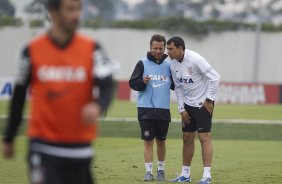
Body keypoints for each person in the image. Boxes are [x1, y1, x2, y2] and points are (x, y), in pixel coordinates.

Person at [1, 0, 114, 184]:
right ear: (53, 12)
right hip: (43, 146)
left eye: (78, 9)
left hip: (81, 148)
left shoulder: (94, 49)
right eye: (70, 9)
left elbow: (107, 84)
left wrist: (98, 105)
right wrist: (9, 137)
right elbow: (19, 95)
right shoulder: (30, 51)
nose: (76, 14)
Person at [167, 36, 220, 184]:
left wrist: (209, 100)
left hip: (204, 104)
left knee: (204, 137)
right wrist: (181, 108)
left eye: (170, 49)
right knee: (187, 138)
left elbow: (215, 77)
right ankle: (185, 175)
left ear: (180, 48)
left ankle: (207, 176)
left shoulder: (196, 59)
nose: (168, 52)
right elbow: (178, 87)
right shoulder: (172, 64)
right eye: (167, 49)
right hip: (188, 105)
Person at [129, 34, 174, 182]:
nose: (159, 51)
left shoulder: (170, 65)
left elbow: (176, 85)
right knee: (148, 142)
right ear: (150, 47)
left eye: (161, 48)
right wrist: (142, 82)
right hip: (145, 109)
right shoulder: (141, 63)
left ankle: (161, 170)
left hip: (163, 109)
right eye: (155, 48)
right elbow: (132, 83)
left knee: (161, 141)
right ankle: (148, 172)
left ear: (164, 47)